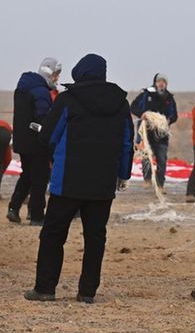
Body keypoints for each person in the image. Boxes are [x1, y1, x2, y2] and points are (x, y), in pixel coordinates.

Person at [25, 54, 133, 304]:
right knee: (95, 237)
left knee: (53, 234)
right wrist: (123, 174)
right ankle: (87, 292)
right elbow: (127, 142)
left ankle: (45, 288)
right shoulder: (120, 104)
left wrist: (54, 152)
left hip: (68, 181)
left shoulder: (68, 100)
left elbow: (49, 135)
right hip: (103, 184)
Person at [8, 57, 61, 225]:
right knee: (40, 178)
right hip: (37, 142)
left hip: (22, 141)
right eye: (55, 75)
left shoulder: (23, 88)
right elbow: (43, 117)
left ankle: (14, 208)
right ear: (49, 74)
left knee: (27, 175)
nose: (57, 79)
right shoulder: (41, 92)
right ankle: (36, 215)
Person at [130, 73, 179, 188]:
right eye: (159, 81)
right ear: (155, 83)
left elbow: (174, 114)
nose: (161, 83)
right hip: (146, 133)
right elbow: (133, 106)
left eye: (164, 82)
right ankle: (147, 179)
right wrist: (141, 114)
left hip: (161, 134)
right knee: (146, 156)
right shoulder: (146, 94)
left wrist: (168, 120)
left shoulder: (169, 98)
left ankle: (160, 184)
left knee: (162, 159)